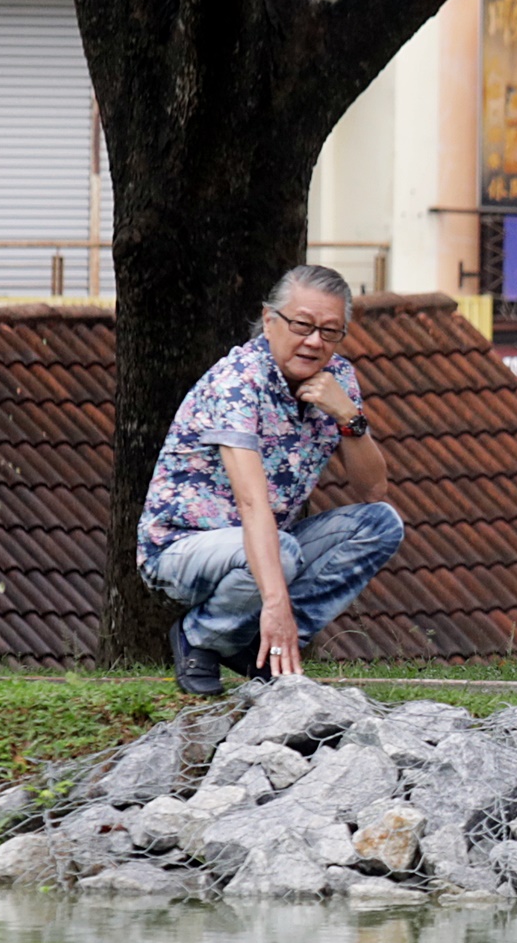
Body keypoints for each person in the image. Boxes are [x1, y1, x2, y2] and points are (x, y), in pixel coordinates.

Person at [139, 264, 403, 696]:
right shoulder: (238, 383)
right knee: (282, 551)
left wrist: (349, 418)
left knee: (381, 523)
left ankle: (268, 649)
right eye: (302, 325)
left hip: (263, 548)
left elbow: (373, 490)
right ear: (269, 320)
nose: (315, 341)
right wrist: (275, 604)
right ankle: (201, 637)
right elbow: (251, 505)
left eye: (330, 331)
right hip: (181, 551)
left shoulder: (338, 379)